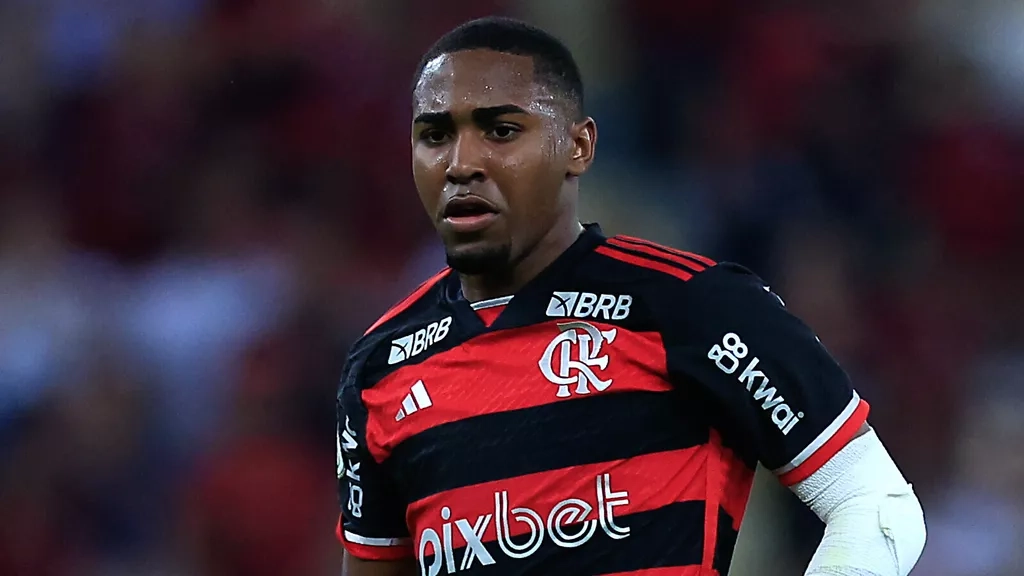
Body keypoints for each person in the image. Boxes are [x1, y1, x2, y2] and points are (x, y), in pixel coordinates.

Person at [335, 16, 926, 576]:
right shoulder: (379, 368)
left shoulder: (692, 305)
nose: (462, 163)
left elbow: (877, 508)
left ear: (578, 147)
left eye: (502, 131)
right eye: (435, 135)